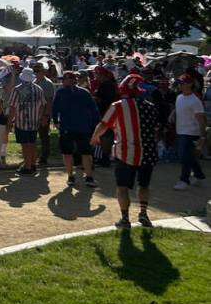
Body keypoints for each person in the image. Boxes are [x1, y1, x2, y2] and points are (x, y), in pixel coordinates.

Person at [90, 74, 159, 228]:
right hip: (148, 152)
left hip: (126, 152)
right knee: (144, 185)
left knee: (122, 186)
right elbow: (154, 129)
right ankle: (143, 213)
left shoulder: (118, 106)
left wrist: (95, 138)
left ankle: (125, 218)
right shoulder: (150, 107)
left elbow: (103, 125)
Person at [52, 71, 100, 187]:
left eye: (63, 80)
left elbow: (55, 109)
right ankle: (89, 176)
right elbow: (94, 112)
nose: (62, 82)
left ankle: (71, 176)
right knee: (86, 153)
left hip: (67, 127)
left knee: (67, 153)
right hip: (83, 127)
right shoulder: (85, 92)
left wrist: (56, 121)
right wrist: (95, 126)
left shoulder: (60, 92)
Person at [171, 74, 206, 190]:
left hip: (191, 133)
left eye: (183, 83)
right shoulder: (179, 97)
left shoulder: (195, 101)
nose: (180, 85)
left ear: (190, 84)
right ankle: (199, 176)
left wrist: (202, 137)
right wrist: (173, 113)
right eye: (180, 82)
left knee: (184, 156)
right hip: (180, 130)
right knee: (189, 157)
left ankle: (184, 180)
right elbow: (178, 108)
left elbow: (201, 119)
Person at [8, 68, 46, 175]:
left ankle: (27, 166)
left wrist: (9, 121)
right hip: (34, 121)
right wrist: (39, 116)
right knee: (32, 143)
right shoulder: (38, 89)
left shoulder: (17, 89)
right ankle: (33, 164)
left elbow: (13, 107)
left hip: (21, 121)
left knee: (25, 145)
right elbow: (43, 104)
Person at [32, 62, 57, 165]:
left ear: (44, 71)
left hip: (43, 114)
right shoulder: (34, 81)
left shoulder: (48, 83)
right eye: (35, 70)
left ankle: (44, 157)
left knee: (44, 137)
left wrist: (46, 116)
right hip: (33, 113)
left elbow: (49, 101)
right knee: (33, 137)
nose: (36, 72)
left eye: (39, 70)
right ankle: (33, 156)